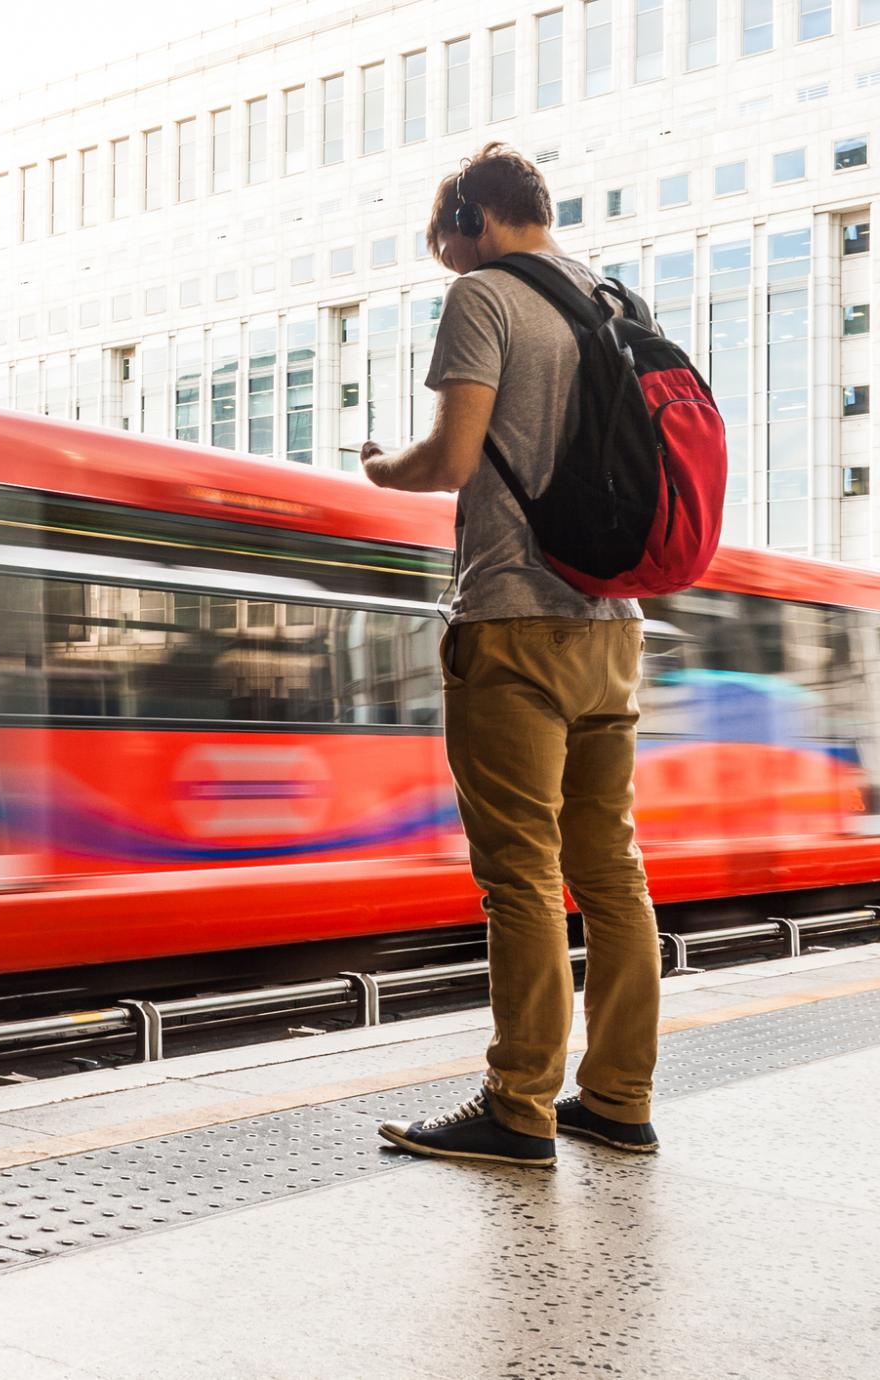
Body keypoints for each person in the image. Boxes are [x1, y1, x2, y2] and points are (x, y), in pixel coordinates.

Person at [361, 143, 662, 1167]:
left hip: (511, 621)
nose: (446, 264)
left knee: (521, 876)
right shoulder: (612, 297)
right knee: (611, 873)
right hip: (612, 627)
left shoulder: (485, 296)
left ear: (471, 219)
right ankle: (618, 1098)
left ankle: (516, 1104)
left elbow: (448, 459)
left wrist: (378, 469)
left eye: (444, 244)